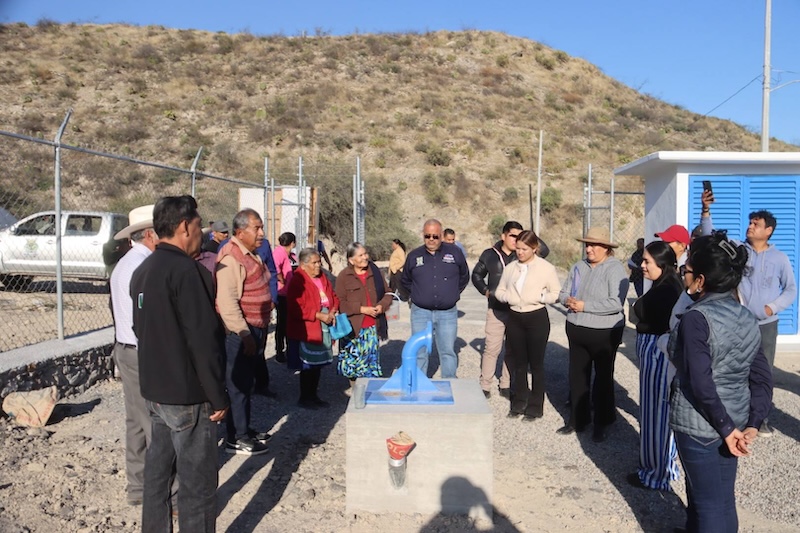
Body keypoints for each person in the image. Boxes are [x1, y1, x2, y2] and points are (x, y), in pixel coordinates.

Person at [130, 195, 229, 532]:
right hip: (188, 396)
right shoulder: (188, 271)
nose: (202, 233)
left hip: (156, 393)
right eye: (200, 226)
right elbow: (203, 340)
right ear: (185, 227)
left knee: (157, 475)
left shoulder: (143, 270)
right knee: (197, 484)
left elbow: (139, 330)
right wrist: (217, 395)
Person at [668, 233, 773, 532]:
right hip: (735, 420)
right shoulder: (746, 316)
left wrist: (726, 430)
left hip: (701, 425)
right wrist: (752, 423)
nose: (683, 274)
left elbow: (701, 383)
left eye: (686, 270)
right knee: (722, 500)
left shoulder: (696, 318)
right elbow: (762, 378)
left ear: (700, 279)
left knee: (710, 505)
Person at [701, 197, 796, 437]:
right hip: (737, 323)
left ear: (768, 230)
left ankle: (759, 419)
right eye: (750, 222)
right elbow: (709, 237)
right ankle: (733, 417)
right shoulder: (738, 250)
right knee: (733, 368)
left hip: (765, 325)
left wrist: (772, 308)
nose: (750, 226)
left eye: (756, 223)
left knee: (763, 374)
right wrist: (706, 210)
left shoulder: (780, 258)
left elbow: (791, 289)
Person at [557, 227, 628, 443]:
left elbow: (615, 302)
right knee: (577, 376)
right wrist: (567, 300)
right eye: (587, 244)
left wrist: (584, 306)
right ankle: (578, 419)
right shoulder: (578, 267)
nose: (589, 248)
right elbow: (562, 293)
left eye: (594, 245)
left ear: (606, 248)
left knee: (603, 379)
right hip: (577, 329)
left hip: (604, 332)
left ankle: (603, 421)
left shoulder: (615, 269)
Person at [109, 204, 158, 506]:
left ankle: (138, 487)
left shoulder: (126, 263)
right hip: (141, 352)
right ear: (151, 234)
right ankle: (165, 492)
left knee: (136, 422)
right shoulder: (146, 267)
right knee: (155, 423)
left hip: (125, 348)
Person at [215, 209, 273, 456]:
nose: (261, 233)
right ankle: (235, 438)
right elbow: (226, 302)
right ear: (240, 232)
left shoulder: (251, 254)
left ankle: (243, 429)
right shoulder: (231, 259)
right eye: (256, 228)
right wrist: (244, 333)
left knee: (245, 383)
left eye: (261, 227)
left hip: (254, 330)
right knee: (237, 385)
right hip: (239, 334)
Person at [628, 241, 683, 491]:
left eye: (647, 261)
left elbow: (641, 314)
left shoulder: (667, 290)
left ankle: (655, 474)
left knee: (655, 413)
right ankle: (665, 467)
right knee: (657, 412)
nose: (642, 266)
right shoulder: (667, 284)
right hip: (655, 351)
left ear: (661, 264)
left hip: (658, 353)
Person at [494, 230, 561, 419]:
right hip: (515, 317)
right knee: (519, 363)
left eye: (524, 249)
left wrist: (540, 297)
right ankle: (519, 401)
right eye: (518, 249)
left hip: (536, 318)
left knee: (536, 363)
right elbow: (500, 289)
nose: (520, 252)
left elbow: (556, 293)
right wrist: (507, 297)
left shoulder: (546, 268)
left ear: (534, 248)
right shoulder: (511, 268)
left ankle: (535, 406)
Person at [401, 219, 470, 378]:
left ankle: (450, 383)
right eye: (427, 236)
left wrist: (452, 293)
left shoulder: (454, 253)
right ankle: (419, 385)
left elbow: (464, 277)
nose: (431, 239)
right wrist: (418, 294)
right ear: (423, 235)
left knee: (447, 351)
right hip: (420, 312)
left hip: (447, 313)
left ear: (441, 235)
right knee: (420, 351)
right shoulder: (414, 256)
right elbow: (405, 280)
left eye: (435, 236)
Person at [470, 220, 523, 399]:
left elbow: (544, 250)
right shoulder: (490, 254)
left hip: (517, 310)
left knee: (512, 349)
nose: (516, 240)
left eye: (519, 236)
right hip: (496, 309)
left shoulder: (523, 254)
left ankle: (506, 384)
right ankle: (485, 385)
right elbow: (476, 275)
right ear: (503, 236)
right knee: (492, 348)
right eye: (513, 236)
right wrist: (485, 291)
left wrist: (528, 237)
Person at [286, 247, 340, 409]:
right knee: (308, 364)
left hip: (325, 322)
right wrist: (318, 315)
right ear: (303, 265)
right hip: (309, 327)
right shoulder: (297, 280)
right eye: (314, 263)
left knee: (318, 364)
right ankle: (305, 397)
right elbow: (296, 307)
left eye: (319, 262)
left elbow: (333, 296)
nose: (318, 265)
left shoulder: (323, 277)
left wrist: (332, 310)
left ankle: (314, 395)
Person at [336, 242, 394, 384]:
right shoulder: (344, 277)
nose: (365, 257)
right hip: (352, 328)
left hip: (371, 329)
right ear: (351, 260)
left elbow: (388, 293)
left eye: (365, 254)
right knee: (352, 367)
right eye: (360, 255)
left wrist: (382, 305)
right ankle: (356, 394)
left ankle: (367, 394)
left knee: (369, 366)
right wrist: (361, 309)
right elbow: (340, 303)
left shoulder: (375, 273)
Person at [273, 232, 297, 363]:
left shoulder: (291, 256)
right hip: (282, 293)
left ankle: (290, 349)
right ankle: (279, 351)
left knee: (289, 322)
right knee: (282, 323)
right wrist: (282, 279)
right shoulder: (279, 252)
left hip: (291, 293)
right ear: (292, 243)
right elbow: (275, 267)